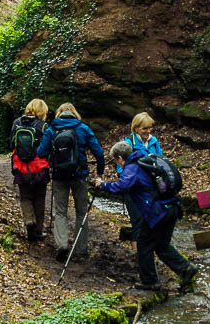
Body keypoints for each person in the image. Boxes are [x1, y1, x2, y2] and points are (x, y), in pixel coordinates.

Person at [97, 140, 197, 292]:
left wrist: (103, 184)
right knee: (161, 246)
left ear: (119, 158)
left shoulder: (132, 167)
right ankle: (185, 269)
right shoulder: (144, 161)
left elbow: (122, 186)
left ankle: (150, 282)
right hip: (171, 208)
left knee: (143, 245)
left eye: (115, 161)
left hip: (157, 213)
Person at [36, 103, 105, 263]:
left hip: (59, 176)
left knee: (60, 212)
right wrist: (100, 173)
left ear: (59, 114)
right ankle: (80, 249)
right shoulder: (83, 128)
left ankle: (62, 245)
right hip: (80, 175)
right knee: (81, 212)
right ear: (75, 114)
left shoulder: (52, 129)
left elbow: (40, 153)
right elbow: (99, 152)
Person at [117, 111, 164, 243]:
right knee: (138, 222)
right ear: (136, 128)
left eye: (150, 128)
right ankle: (139, 256)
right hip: (134, 191)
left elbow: (161, 162)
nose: (149, 131)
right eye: (145, 128)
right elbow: (121, 170)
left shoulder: (154, 141)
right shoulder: (127, 144)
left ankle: (148, 254)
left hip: (152, 190)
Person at [10, 98, 50, 243]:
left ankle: (28, 220)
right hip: (39, 167)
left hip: (20, 166)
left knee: (25, 196)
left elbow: (11, 144)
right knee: (39, 198)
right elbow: (48, 148)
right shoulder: (44, 126)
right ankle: (38, 230)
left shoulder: (16, 123)